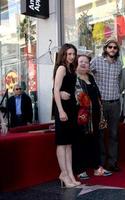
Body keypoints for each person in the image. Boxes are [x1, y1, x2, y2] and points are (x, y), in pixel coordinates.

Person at [73, 55, 112, 180]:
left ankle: (97, 168)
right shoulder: (73, 78)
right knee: (80, 142)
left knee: (95, 141)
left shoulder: (90, 77)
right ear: (76, 63)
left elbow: (96, 95)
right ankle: (80, 169)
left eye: (86, 62)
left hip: (95, 114)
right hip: (81, 116)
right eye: (81, 62)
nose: (84, 64)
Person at [90, 38, 122, 172]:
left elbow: (119, 81)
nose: (112, 49)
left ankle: (112, 163)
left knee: (114, 134)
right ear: (105, 48)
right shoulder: (96, 61)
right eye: (110, 47)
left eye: (115, 47)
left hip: (115, 103)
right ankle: (101, 163)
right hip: (101, 104)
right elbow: (86, 73)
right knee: (101, 134)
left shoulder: (119, 64)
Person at [53, 43, 80, 188]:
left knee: (69, 144)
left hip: (71, 108)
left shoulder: (71, 69)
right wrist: (60, 110)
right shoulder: (62, 68)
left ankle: (70, 174)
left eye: (73, 54)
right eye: (69, 54)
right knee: (62, 143)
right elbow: (56, 90)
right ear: (63, 54)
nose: (72, 56)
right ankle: (63, 173)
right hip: (62, 109)